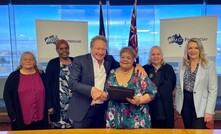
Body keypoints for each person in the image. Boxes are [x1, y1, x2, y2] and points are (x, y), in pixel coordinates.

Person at [67, 35, 146, 128]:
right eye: (98, 48)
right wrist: (91, 90)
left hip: (102, 110)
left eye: (103, 49)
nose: (100, 52)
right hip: (82, 111)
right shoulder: (80, 60)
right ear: (91, 48)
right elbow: (72, 83)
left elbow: (124, 64)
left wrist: (138, 65)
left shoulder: (109, 60)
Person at [105, 47, 157, 129]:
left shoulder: (139, 73)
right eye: (122, 57)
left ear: (134, 60)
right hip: (114, 119)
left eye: (129, 58)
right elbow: (107, 92)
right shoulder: (112, 73)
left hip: (137, 119)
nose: (125, 59)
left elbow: (152, 92)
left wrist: (140, 100)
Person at [3, 52, 53, 130]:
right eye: (25, 59)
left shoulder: (41, 74)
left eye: (31, 59)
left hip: (42, 119)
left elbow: (48, 91)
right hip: (21, 120)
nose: (28, 61)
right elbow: (7, 96)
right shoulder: (13, 77)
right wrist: (12, 115)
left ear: (35, 62)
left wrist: (49, 106)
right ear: (21, 62)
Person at [175, 38, 217, 129]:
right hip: (185, 104)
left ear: (200, 50)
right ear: (187, 50)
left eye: (196, 48)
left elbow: (213, 90)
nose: (193, 51)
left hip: (201, 105)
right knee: (188, 130)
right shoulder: (182, 64)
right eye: (190, 48)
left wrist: (209, 111)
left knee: (198, 130)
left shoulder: (209, 65)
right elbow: (179, 86)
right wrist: (177, 105)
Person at [143, 46, 176, 128]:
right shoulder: (145, 69)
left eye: (158, 54)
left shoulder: (169, 69)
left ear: (162, 55)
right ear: (150, 56)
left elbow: (173, 85)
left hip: (166, 107)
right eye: (153, 54)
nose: (156, 56)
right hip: (150, 107)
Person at [45, 39, 74, 128]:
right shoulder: (52, 63)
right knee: (60, 127)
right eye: (61, 49)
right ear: (57, 50)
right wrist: (49, 105)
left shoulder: (75, 61)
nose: (64, 50)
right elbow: (47, 85)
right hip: (59, 102)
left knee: (74, 126)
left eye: (66, 48)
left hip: (74, 102)